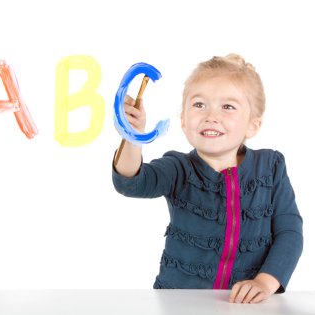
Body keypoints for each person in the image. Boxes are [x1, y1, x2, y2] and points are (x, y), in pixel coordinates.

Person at [112, 54, 303, 304]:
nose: (211, 116)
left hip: (246, 306)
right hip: (179, 303)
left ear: (252, 125)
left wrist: (264, 283)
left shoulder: (271, 166)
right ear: (183, 120)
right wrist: (133, 138)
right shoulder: (178, 167)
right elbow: (131, 181)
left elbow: (289, 232)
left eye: (228, 107)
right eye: (199, 105)